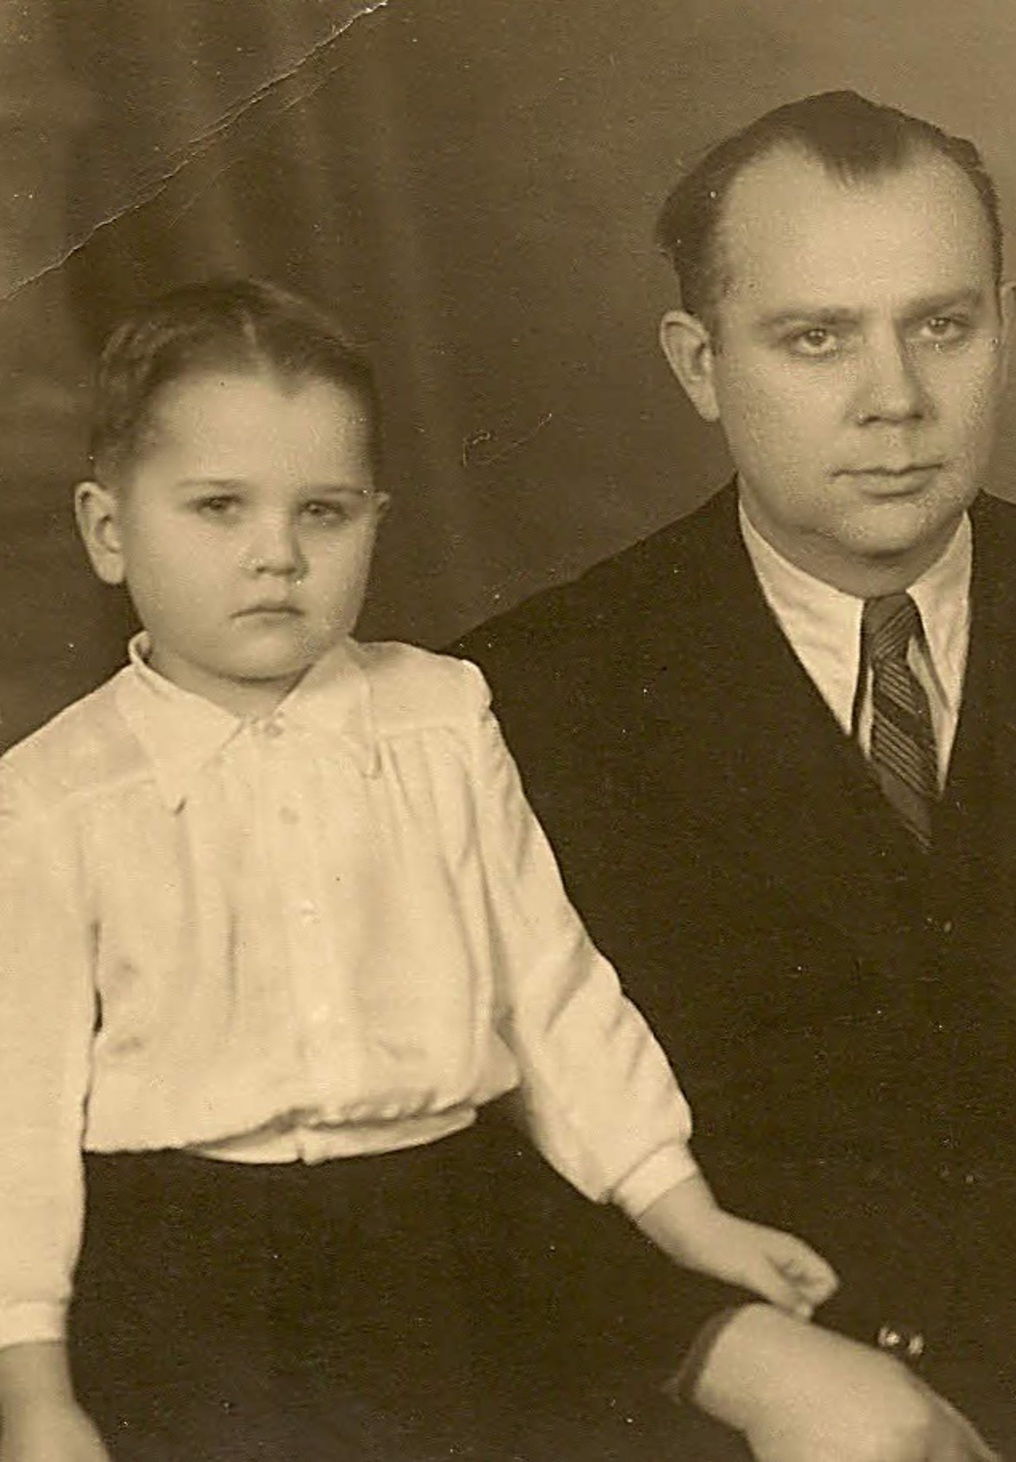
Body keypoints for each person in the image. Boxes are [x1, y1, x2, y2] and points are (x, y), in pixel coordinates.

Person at [453, 92, 1016, 1462]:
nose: (895, 400)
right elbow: (448, 1149)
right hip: (738, 1418)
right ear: (699, 363)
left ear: (1006, 326)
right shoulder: (521, 696)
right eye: (816, 338)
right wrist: (725, 1353)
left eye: (941, 326)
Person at [0, 279, 831, 1462]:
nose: (277, 554)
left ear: (377, 521)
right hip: (187, 1262)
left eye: (324, 511)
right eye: (219, 507)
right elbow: (17, 1113)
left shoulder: (439, 720)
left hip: (442, 1224)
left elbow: (550, 990)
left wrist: (682, 1210)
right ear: (108, 529)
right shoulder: (53, 798)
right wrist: (33, 1387)